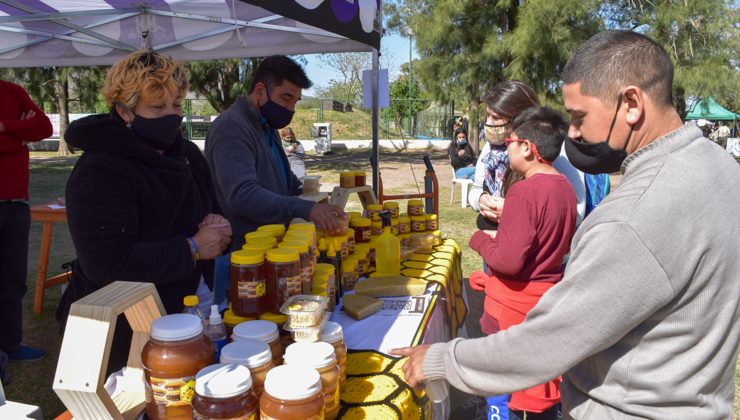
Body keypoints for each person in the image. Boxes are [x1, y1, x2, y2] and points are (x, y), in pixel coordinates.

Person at [392, 30, 740, 419]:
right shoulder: (723, 169)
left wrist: (441, 359)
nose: (572, 133)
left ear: (631, 104)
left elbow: (549, 341)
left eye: (579, 117)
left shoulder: (632, 217)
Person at [56, 51, 231, 375]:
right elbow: (106, 264)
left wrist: (218, 226)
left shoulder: (188, 153)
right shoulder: (100, 169)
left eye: (177, 105)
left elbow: (212, 210)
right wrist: (192, 248)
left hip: (194, 303)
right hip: (127, 327)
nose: (171, 115)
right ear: (125, 110)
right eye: (157, 107)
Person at [468, 106, 577, 419]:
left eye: (510, 141)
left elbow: (508, 262)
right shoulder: (565, 189)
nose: (506, 147)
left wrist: (481, 239)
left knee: (503, 388)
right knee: (541, 386)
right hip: (546, 301)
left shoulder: (523, 192)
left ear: (528, 149)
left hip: (512, 312)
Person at [205, 55, 346, 251]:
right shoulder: (232, 126)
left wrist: (313, 197)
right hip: (244, 252)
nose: (290, 109)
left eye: (295, 102)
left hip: (273, 245)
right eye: (286, 98)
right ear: (261, 91)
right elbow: (242, 195)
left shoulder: (268, 127)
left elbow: (284, 181)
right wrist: (305, 208)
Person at [470, 81, 587, 231]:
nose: (488, 123)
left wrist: (514, 210)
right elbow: (476, 188)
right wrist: (481, 199)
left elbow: (574, 213)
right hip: (497, 242)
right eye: (487, 115)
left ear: (518, 117)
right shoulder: (490, 149)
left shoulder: (555, 149)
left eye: (495, 117)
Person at [0, 79, 52, 366]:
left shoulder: (12, 90)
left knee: (13, 280)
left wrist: (5, 127)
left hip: (16, 202)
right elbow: (31, 132)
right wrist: (19, 137)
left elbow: (43, 128)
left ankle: (10, 344)